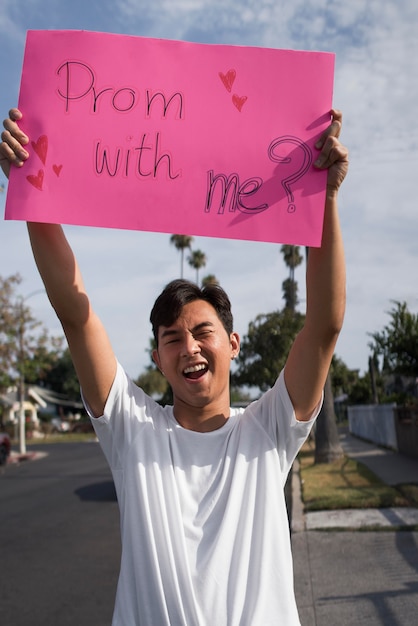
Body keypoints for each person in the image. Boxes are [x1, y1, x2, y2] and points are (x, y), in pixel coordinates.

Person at [1, 107, 348, 625]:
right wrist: (30, 190)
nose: (189, 347)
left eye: (202, 332)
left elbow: (323, 326)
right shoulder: (133, 429)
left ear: (232, 344)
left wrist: (325, 200)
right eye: (171, 338)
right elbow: (76, 315)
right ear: (159, 358)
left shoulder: (269, 429)